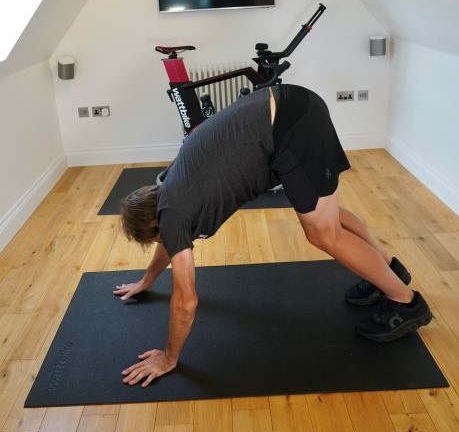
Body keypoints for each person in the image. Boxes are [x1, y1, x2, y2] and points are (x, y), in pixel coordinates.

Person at [113, 84, 432, 388]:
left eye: (158, 237)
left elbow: (186, 301)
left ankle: (406, 303)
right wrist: (148, 280)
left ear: (156, 224)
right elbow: (171, 240)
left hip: (289, 128)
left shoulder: (174, 214)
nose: (166, 240)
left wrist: (169, 357)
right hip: (290, 106)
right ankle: (389, 271)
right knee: (324, 216)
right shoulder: (169, 183)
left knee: (323, 233)